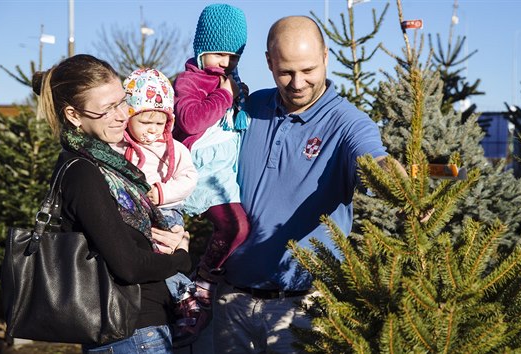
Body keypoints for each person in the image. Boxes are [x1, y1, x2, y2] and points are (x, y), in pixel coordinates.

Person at [212, 16, 390, 353]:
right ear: (268, 62)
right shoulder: (249, 107)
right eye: (285, 72)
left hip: (302, 308)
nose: (298, 83)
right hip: (232, 300)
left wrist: (395, 180)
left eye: (308, 70)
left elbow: (374, 160)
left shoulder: (348, 123)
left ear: (325, 57)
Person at [33, 54, 192, 353]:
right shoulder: (84, 172)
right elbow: (128, 266)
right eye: (107, 109)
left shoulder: (110, 166)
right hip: (129, 334)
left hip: (138, 331)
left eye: (122, 102)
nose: (122, 115)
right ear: (73, 115)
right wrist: (181, 258)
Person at [172, 3, 250, 333]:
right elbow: (190, 121)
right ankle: (198, 283)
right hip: (201, 170)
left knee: (240, 229)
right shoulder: (190, 81)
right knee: (235, 227)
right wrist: (225, 97)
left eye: (233, 57)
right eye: (218, 54)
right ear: (202, 48)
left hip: (226, 171)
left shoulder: (230, 81)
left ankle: (204, 287)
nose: (226, 63)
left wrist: (238, 97)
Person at [112, 68, 200, 334]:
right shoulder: (120, 148)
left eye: (159, 123)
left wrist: (162, 192)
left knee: (167, 252)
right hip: (134, 215)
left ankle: (184, 295)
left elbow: (189, 178)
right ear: (129, 118)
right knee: (147, 257)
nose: (152, 131)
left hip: (166, 211)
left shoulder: (175, 149)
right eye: (145, 122)